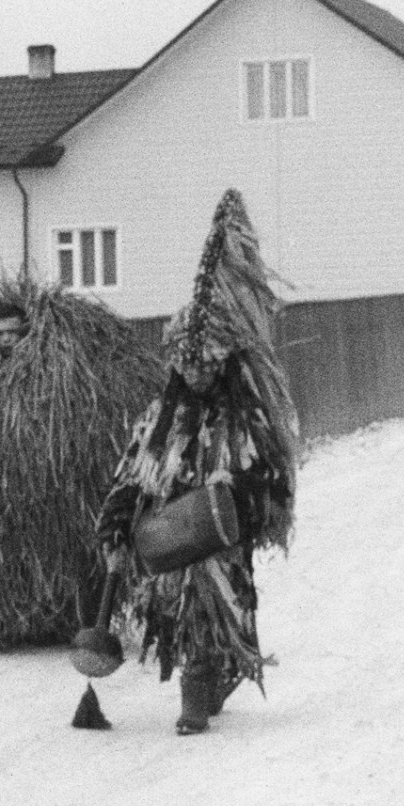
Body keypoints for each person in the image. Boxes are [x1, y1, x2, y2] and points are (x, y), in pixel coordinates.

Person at [94, 190, 297, 735]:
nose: (198, 378)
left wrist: (245, 503)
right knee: (182, 615)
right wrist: (118, 521)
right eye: (189, 370)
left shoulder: (243, 420)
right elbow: (132, 473)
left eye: (207, 368)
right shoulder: (160, 419)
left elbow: (271, 478)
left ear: (223, 366)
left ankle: (206, 686)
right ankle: (197, 685)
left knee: (218, 608)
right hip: (170, 535)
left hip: (219, 541)